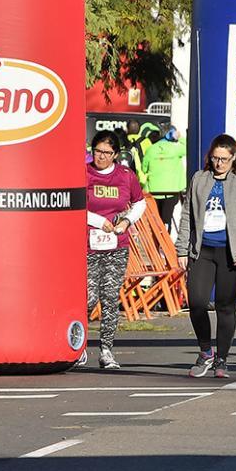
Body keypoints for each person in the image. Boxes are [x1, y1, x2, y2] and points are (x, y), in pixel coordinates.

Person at [177, 134, 236, 379]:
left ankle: (222, 359)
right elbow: (187, 215)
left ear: (233, 157)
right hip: (202, 250)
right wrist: (182, 249)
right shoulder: (199, 178)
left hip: (231, 253)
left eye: (224, 159)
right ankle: (206, 351)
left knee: (225, 305)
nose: (219, 163)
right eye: (215, 158)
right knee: (197, 302)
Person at [85, 130, 147, 370]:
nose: (101, 156)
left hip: (116, 246)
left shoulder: (125, 175)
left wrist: (127, 221)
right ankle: (77, 345)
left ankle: (106, 350)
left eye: (107, 153)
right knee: (88, 298)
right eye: (97, 151)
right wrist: (98, 221)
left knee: (110, 298)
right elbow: (75, 204)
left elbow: (139, 202)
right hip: (87, 245)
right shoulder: (84, 173)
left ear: (116, 155)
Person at [140, 123, 186, 234]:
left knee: (155, 221)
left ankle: (155, 241)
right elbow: (188, 147)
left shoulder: (151, 149)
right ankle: (165, 240)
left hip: (153, 191)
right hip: (171, 191)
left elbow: (144, 168)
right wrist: (180, 137)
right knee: (166, 220)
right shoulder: (176, 149)